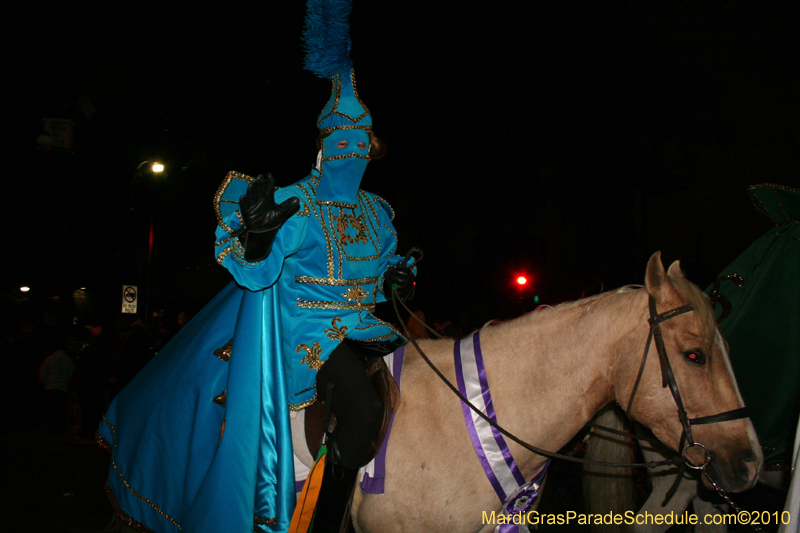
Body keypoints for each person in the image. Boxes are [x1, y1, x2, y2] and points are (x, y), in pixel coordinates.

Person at [97, 1, 416, 531]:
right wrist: (261, 237)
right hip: (301, 331)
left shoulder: (377, 211)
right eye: (341, 145)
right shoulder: (295, 201)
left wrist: (396, 278)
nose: (352, 155)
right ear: (321, 151)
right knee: (361, 416)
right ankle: (316, 518)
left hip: (368, 327)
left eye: (361, 146)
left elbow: (382, 270)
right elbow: (255, 274)